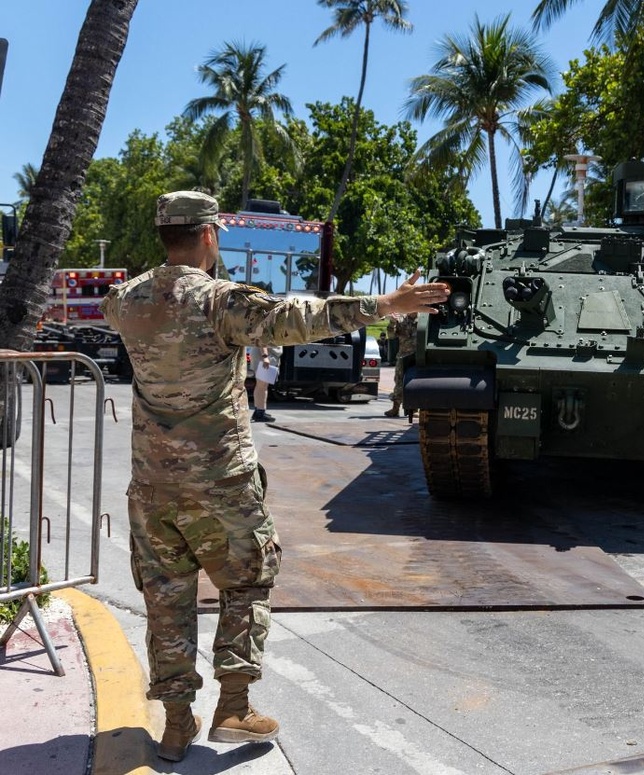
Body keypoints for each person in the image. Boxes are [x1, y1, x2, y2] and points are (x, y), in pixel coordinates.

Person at [99, 190, 449, 763]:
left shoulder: (127, 302)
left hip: (153, 487)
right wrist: (386, 305)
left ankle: (176, 723)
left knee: (166, 598)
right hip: (222, 485)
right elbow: (296, 317)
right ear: (210, 236)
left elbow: (114, 305)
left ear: (165, 235)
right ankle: (233, 706)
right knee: (246, 582)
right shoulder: (221, 302)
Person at [383, 311, 418, 417]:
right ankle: (395, 408)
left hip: (419, 356)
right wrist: (392, 323)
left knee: (416, 382)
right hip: (403, 355)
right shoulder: (401, 320)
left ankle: (414, 409)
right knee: (399, 381)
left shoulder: (424, 319)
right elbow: (392, 335)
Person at [247, 345, 283, 422]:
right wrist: (265, 356)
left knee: (261, 386)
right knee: (262, 386)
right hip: (265, 355)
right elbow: (262, 339)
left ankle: (258, 411)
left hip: (264, 354)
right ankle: (260, 413)